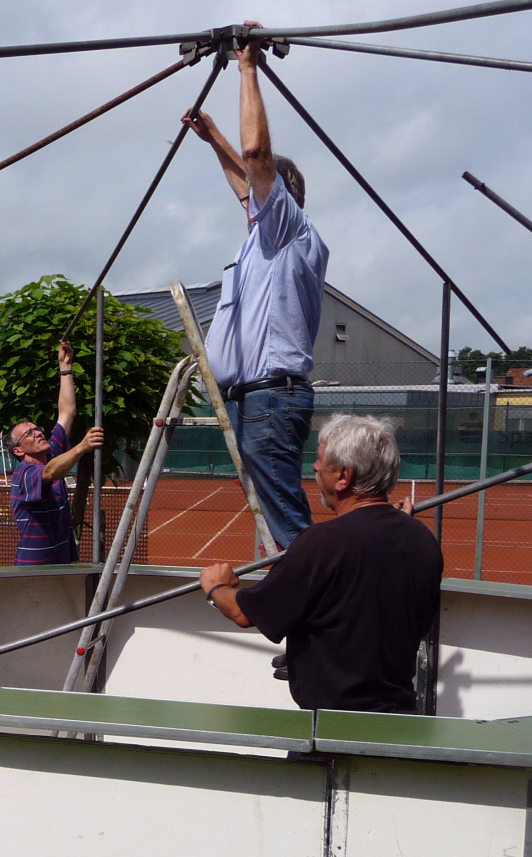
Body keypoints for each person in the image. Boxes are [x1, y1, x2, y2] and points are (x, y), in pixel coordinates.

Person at [184, 21, 330, 551]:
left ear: (280, 197)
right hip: (252, 400)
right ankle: (298, 581)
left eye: (257, 194)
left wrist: (247, 68)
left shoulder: (289, 228)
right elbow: (245, 178)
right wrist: (213, 139)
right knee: (275, 519)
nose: (247, 200)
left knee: (288, 526)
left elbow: (255, 155)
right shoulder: (262, 241)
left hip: (269, 398)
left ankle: (313, 590)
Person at [198, 415, 443, 713]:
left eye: (321, 460)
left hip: (333, 726)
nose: (315, 467)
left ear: (344, 477)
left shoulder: (321, 543)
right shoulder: (422, 540)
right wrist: (400, 524)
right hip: (400, 718)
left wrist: (217, 587)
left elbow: (243, 613)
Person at [8, 339, 106, 566]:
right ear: (18, 450)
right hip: (34, 568)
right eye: (29, 433)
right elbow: (50, 472)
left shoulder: (52, 454)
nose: (37, 433)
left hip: (61, 563)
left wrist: (65, 368)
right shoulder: (23, 473)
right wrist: (82, 446)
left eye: (37, 429)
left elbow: (67, 413)